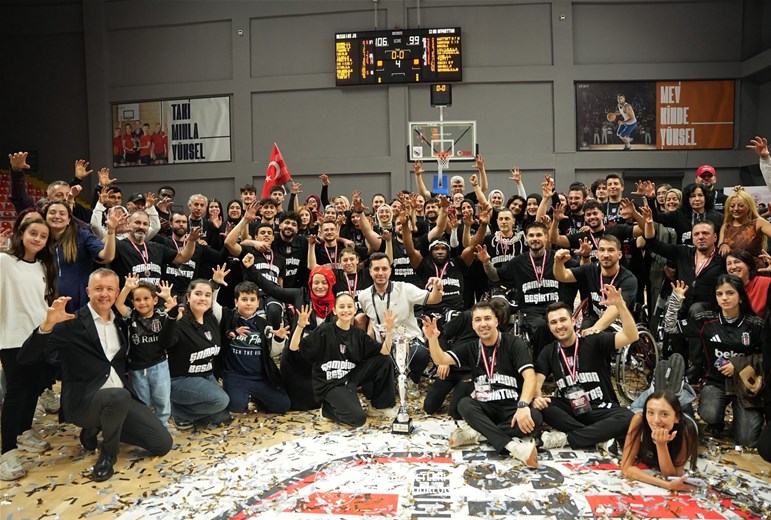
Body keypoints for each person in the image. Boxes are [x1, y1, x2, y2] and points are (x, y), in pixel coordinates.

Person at [19, 269, 173, 482]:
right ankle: (108, 454)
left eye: (110, 289)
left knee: (162, 443)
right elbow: (26, 358)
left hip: (120, 400)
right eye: (98, 288)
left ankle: (97, 428)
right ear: (88, 291)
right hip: (85, 402)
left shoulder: (121, 324)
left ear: (117, 293)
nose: (104, 294)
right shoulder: (71, 323)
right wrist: (47, 325)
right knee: (117, 396)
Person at [422, 301, 541, 468]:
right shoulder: (471, 347)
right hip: (485, 406)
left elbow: (529, 376)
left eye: (487, 318)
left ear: (496, 321)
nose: (483, 324)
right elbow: (441, 359)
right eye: (478, 320)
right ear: (473, 325)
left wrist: (523, 405)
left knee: (535, 417)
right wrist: (432, 339)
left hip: (511, 407)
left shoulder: (514, 343)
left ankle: (478, 433)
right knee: (464, 405)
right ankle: (513, 447)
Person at [533, 286, 638, 453]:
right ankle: (600, 438)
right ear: (549, 327)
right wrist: (537, 397)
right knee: (542, 405)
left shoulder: (593, 340)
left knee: (629, 417)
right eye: (553, 322)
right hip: (572, 408)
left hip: (601, 408)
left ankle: (570, 438)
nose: (559, 326)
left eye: (563, 320)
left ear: (574, 321)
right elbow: (536, 384)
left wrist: (620, 306)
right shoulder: (549, 352)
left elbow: (631, 336)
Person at [664, 275, 764, 446]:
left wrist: (738, 364)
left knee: (747, 440)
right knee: (709, 413)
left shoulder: (755, 324)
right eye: (720, 294)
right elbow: (670, 327)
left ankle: (743, 417)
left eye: (730, 293)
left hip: (745, 385)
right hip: (715, 382)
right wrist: (675, 300)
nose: (724, 298)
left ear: (740, 297)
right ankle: (716, 422)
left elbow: (766, 357)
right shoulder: (706, 320)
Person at [0, 219, 57, 480]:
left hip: (39, 336)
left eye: (43, 236)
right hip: (12, 337)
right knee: (16, 392)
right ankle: (7, 452)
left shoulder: (44, 266)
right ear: (21, 234)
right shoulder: (4, 261)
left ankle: (24, 432)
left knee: (34, 387)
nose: (37, 239)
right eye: (33, 233)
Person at [290, 294, 396, 427]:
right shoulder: (325, 330)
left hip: (350, 378)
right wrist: (300, 326)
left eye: (349, 306)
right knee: (358, 420)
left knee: (384, 360)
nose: (346, 310)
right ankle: (327, 411)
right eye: (341, 307)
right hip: (330, 383)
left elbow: (385, 351)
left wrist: (390, 331)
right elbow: (293, 347)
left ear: (355, 309)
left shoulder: (358, 334)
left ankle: (379, 406)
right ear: (334, 310)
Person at [358, 253, 443, 385]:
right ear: (370, 271)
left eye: (384, 269)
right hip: (384, 344)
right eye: (376, 269)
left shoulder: (405, 288)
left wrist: (438, 287)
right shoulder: (363, 296)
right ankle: (393, 377)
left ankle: (414, 379)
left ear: (390, 270)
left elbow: (434, 299)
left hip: (409, 338)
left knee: (420, 355)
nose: (380, 273)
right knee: (373, 386)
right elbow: (371, 319)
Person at [166, 268, 234, 429]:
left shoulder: (211, 318)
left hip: (205, 374)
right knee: (221, 401)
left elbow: (212, 301)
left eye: (207, 295)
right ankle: (177, 412)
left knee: (222, 414)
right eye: (198, 294)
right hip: (179, 379)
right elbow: (165, 343)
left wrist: (215, 283)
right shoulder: (179, 318)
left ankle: (183, 409)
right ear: (188, 297)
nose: (203, 298)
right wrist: (170, 318)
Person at [114, 276, 178, 428]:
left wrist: (168, 298)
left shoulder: (161, 315)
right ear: (133, 302)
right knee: (143, 401)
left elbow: (176, 315)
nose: (142, 303)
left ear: (155, 300)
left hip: (159, 365)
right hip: (136, 368)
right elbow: (118, 304)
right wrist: (127, 288)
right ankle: (146, 428)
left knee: (162, 400)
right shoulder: (131, 315)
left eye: (146, 298)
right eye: (137, 300)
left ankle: (162, 427)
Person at [220, 281, 291, 415]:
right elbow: (213, 307)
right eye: (244, 299)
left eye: (252, 300)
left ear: (258, 303)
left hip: (259, 376)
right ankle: (240, 393)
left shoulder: (264, 324)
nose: (248, 303)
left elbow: (272, 353)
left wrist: (279, 339)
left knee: (283, 405)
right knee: (236, 406)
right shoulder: (227, 317)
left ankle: (256, 397)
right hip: (235, 375)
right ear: (236, 302)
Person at [553, 234, 638, 332]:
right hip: (593, 318)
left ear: (619, 254)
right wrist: (558, 262)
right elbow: (563, 276)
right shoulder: (590, 269)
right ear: (597, 254)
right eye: (602, 250)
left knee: (596, 338)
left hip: (619, 324)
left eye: (611, 250)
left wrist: (595, 329)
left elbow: (615, 309)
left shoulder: (628, 280)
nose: (605, 255)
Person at [620, 390, 699, 491]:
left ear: (677, 418)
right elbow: (626, 467)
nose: (656, 420)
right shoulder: (639, 419)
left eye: (664, 414)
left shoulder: (686, 431)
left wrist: (661, 445)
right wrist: (666, 485)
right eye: (651, 412)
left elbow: (671, 476)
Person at [718, 189, 771, 269]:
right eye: (732, 206)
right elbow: (719, 247)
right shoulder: (725, 226)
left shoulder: (759, 223)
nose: (736, 209)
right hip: (733, 272)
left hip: (756, 271)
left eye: (741, 205)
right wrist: (723, 245)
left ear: (749, 206)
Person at [725, 249, 771, 317]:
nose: (733, 267)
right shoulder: (725, 288)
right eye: (729, 264)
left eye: (737, 262)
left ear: (749, 265)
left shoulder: (763, 283)